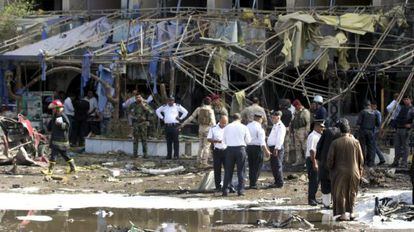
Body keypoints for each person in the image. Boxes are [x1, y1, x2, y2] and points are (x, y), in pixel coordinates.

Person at [327, 118, 364, 221]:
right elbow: (361, 159)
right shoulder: (356, 142)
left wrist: (329, 169)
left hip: (339, 172)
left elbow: (330, 161)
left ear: (340, 130)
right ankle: (351, 213)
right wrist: (360, 170)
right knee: (352, 192)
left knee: (340, 193)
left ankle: (343, 214)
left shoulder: (335, 143)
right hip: (354, 171)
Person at [41, 100, 76, 175]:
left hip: (60, 140)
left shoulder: (62, 115)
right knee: (66, 155)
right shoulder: (56, 116)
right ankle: (73, 168)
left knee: (53, 155)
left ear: (57, 108)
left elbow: (67, 126)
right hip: (58, 140)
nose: (52, 110)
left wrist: (60, 124)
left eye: (54, 109)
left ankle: (50, 171)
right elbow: (51, 126)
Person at [180, 97, 216, 166]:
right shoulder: (211, 110)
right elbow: (214, 123)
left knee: (200, 145)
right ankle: (204, 162)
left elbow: (191, 117)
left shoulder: (198, 109)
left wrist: (183, 124)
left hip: (200, 129)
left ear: (203, 102)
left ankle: (198, 160)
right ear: (210, 103)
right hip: (208, 130)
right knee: (207, 146)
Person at [222, 113, 251, 196]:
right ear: (240, 119)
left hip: (230, 149)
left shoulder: (227, 127)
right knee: (241, 171)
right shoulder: (244, 127)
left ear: (232, 119)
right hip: (241, 149)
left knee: (228, 170)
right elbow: (248, 140)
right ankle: (240, 190)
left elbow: (223, 140)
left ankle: (225, 190)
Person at [316, 123, 341, 208]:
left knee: (325, 184)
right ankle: (336, 203)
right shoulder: (339, 135)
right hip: (336, 165)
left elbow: (318, 147)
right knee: (336, 184)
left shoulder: (326, 133)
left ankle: (326, 204)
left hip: (324, 164)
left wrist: (318, 160)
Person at [246, 113, 271, 189]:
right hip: (257, 148)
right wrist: (266, 151)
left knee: (251, 165)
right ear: (260, 119)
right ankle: (253, 183)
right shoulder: (259, 128)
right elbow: (262, 142)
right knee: (257, 166)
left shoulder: (248, 126)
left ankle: (252, 182)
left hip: (249, 147)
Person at [306, 119, 324, 206]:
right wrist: (314, 163)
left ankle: (314, 198)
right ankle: (311, 199)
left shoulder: (318, 135)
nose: (322, 129)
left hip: (316, 159)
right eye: (321, 127)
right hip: (312, 159)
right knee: (313, 180)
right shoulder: (313, 136)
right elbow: (312, 151)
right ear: (316, 126)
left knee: (316, 181)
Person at [207, 115, 228, 191]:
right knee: (217, 169)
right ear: (220, 121)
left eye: (225, 123)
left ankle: (227, 185)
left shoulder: (228, 128)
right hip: (217, 150)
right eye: (222, 123)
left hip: (226, 151)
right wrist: (216, 141)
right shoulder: (213, 128)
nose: (224, 125)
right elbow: (208, 139)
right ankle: (218, 186)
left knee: (228, 169)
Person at [392, 96, 414, 168]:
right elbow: (396, 117)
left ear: (411, 100)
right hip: (398, 128)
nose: (405, 101)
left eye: (407, 99)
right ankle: (396, 161)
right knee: (397, 146)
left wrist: (411, 125)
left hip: (406, 130)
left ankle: (404, 163)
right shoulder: (402, 108)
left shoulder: (412, 109)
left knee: (405, 147)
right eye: (404, 99)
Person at [267, 111, 286, 188]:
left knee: (277, 165)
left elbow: (280, 138)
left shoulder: (281, 126)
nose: (272, 119)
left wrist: (276, 148)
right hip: (273, 147)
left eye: (274, 118)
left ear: (278, 117)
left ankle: (280, 182)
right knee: (274, 165)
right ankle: (277, 181)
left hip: (277, 147)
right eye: (272, 117)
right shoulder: (275, 125)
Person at [357, 100, 379, 167]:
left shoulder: (362, 112)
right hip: (371, 132)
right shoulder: (374, 113)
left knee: (362, 147)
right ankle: (370, 162)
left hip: (363, 131)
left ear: (364, 106)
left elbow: (359, 122)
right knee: (371, 147)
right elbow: (378, 123)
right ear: (369, 105)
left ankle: (363, 162)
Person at [291, 99, 311, 166]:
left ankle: (306, 162)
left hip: (303, 130)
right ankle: (299, 161)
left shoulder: (305, 112)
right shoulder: (295, 112)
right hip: (296, 131)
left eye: (295, 106)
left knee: (305, 147)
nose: (295, 108)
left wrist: (307, 131)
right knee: (297, 147)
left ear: (298, 105)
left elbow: (308, 122)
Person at [371, 101, 385, 165]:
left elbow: (379, 123)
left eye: (373, 106)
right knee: (374, 146)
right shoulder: (372, 112)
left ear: (375, 106)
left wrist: (380, 131)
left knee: (373, 146)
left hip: (375, 131)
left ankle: (372, 161)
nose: (372, 107)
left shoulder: (377, 113)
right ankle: (382, 159)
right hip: (373, 131)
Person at [279, 99, 293, 164]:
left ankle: (280, 158)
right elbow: (291, 121)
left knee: (279, 143)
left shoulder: (280, 112)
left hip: (280, 129)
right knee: (286, 144)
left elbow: (276, 120)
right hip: (287, 129)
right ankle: (286, 159)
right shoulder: (290, 112)